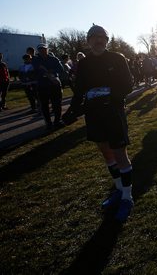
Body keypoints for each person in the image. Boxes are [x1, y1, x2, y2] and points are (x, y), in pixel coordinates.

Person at [62, 24, 134, 222]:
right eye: (94, 37)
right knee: (106, 152)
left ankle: (128, 198)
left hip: (113, 112)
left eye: (102, 37)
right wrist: (71, 112)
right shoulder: (84, 64)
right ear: (88, 41)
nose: (98, 40)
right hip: (93, 115)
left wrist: (111, 96)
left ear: (107, 40)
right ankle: (119, 190)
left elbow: (129, 84)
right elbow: (79, 91)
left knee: (120, 154)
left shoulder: (117, 58)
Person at [32, 43, 64, 129]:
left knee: (57, 104)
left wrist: (51, 71)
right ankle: (48, 123)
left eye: (44, 49)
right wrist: (43, 74)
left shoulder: (54, 59)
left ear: (47, 49)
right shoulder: (35, 60)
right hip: (42, 85)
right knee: (44, 105)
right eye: (40, 49)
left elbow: (61, 69)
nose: (42, 51)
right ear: (38, 51)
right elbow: (34, 70)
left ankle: (57, 121)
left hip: (54, 84)